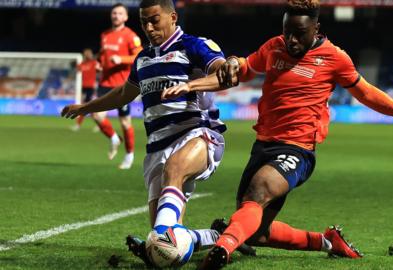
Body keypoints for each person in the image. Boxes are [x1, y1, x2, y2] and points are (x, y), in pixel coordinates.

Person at [161, 0, 393, 268]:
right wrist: (220, 69)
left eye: (300, 34)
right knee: (256, 231)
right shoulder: (275, 47)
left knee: (258, 192)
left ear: (316, 29)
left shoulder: (335, 58)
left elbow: (366, 93)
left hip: (298, 150)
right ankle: (327, 242)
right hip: (263, 146)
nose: (292, 40)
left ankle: (221, 250)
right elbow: (242, 70)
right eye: (287, 32)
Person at [61, 0, 253, 266]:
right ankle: (218, 235)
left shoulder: (194, 45)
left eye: (154, 20)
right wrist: (86, 107)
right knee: (166, 251)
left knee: (173, 175)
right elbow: (122, 94)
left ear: (172, 17)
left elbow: (225, 75)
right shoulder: (143, 58)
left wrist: (190, 85)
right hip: (156, 148)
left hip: (198, 134)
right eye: (144, 22)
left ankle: (159, 236)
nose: (149, 28)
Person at [94, 3, 143, 169]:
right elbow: (103, 55)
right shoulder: (105, 34)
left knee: (125, 122)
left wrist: (121, 59)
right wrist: (99, 64)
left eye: (120, 13)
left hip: (122, 85)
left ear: (126, 17)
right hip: (105, 83)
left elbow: (138, 56)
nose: (116, 16)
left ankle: (129, 156)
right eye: (114, 13)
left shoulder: (130, 36)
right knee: (96, 115)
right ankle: (114, 138)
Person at [71, 48, 98, 132]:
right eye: (86, 53)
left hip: (90, 88)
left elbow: (100, 67)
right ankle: (99, 124)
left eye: (89, 53)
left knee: (84, 107)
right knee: (87, 107)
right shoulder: (82, 64)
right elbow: (75, 67)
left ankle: (78, 125)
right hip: (83, 88)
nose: (88, 55)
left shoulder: (94, 63)